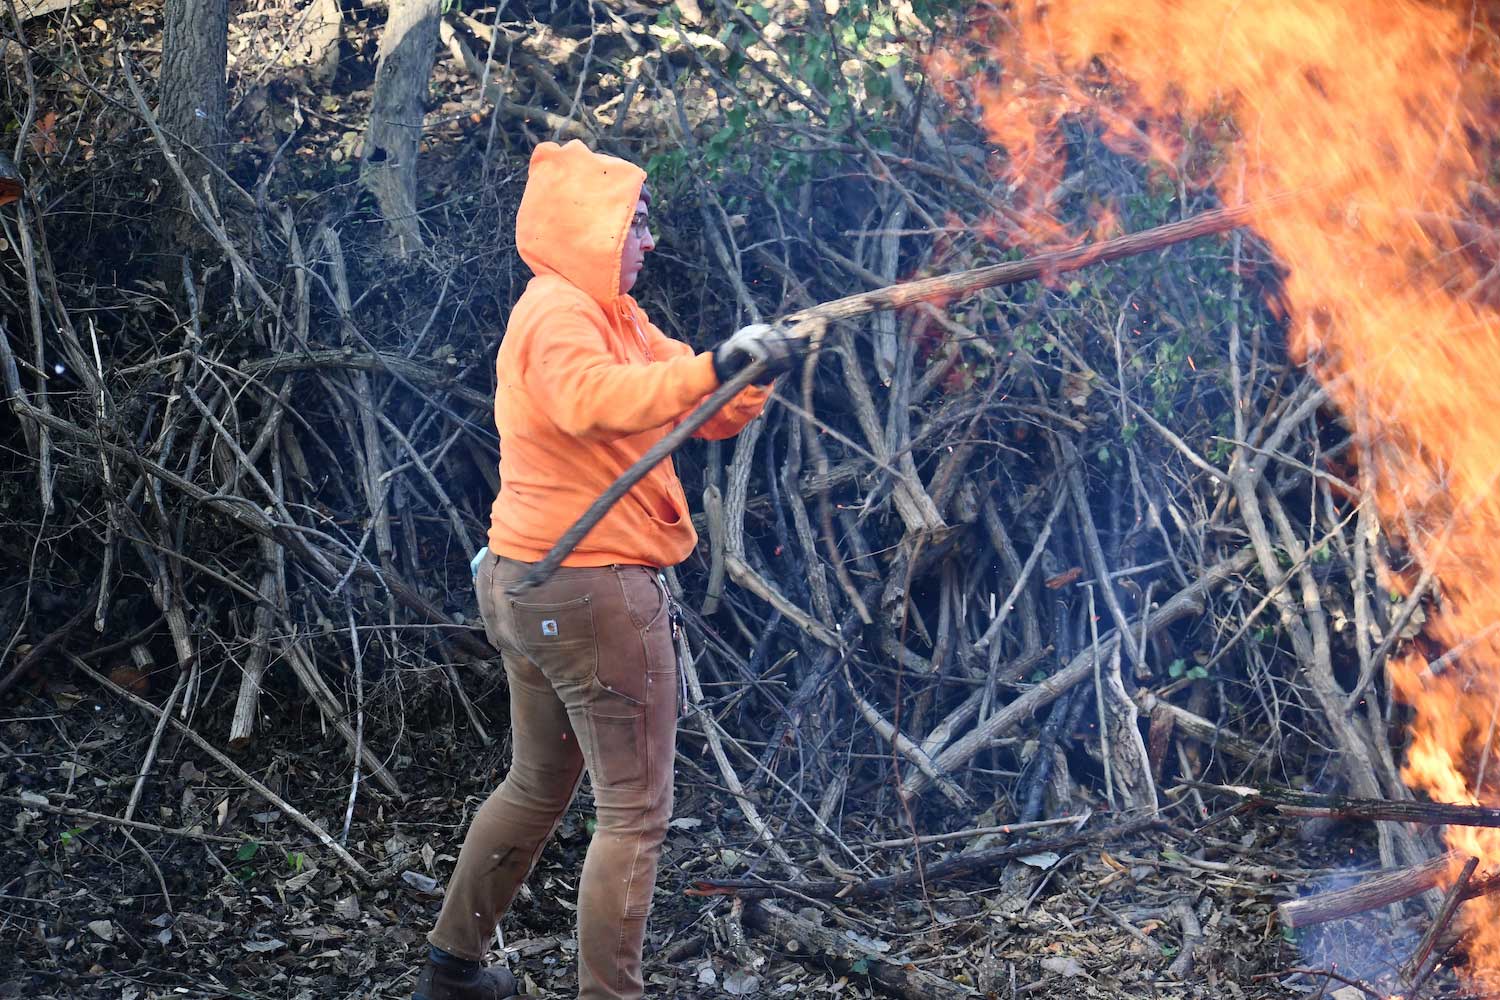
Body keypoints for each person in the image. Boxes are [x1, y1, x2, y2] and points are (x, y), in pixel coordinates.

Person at [412, 140, 804, 1000]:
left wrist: (752, 371)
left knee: (538, 785)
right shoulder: (559, 317)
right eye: (635, 225)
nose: (649, 242)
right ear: (590, 231)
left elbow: (695, 404)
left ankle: (453, 973)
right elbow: (596, 402)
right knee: (633, 815)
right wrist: (713, 368)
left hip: (530, 588)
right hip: (588, 593)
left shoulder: (612, 314)